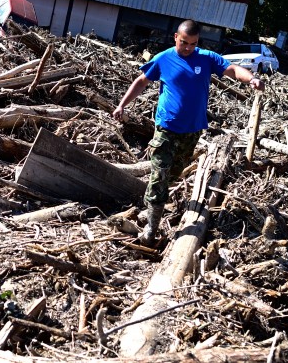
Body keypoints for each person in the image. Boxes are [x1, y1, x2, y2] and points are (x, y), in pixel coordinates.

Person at [112, 20, 265, 246]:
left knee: (174, 172)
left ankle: (150, 208)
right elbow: (142, 80)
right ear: (176, 37)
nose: (187, 48)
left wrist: (251, 78)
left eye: (192, 44)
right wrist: (122, 105)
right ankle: (151, 229)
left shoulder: (205, 58)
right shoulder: (163, 58)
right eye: (184, 43)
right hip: (166, 127)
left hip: (192, 130)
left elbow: (232, 69)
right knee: (160, 173)